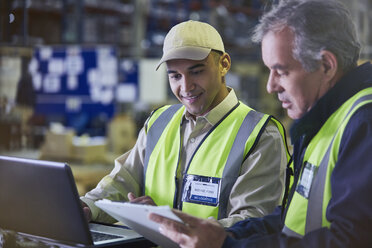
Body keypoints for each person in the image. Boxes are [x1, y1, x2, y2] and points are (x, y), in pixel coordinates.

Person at [149, 1, 372, 247]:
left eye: (281, 71)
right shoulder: (324, 123)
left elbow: (349, 241)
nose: (270, 86)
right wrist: (227, 234)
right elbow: (291, 219)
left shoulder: (364, 123)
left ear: (326, 65)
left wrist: (227, 246)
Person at [81, 20, 290, 228]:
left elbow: (253, 224)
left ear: (224, 64)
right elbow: (123, 181)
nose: (186, 87)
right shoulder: (158, 123)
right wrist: (87, 206)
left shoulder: (261, 135)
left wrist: (174, 226)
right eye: (175, 76)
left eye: (197, 71)